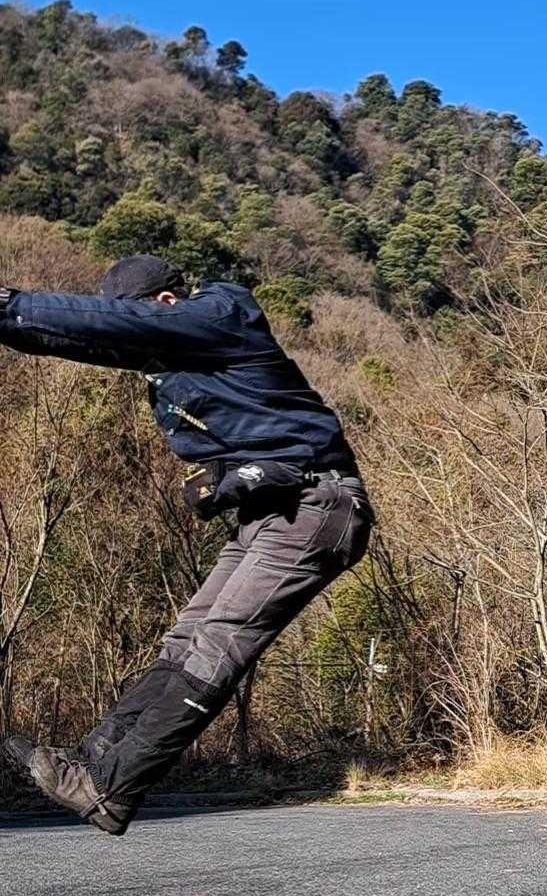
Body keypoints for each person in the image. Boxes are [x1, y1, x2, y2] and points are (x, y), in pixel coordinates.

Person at [0, 254, 372, 835]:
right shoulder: (180, 352)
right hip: (270, 511)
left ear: (167, 303)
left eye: (142, 319)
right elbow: (81, 337)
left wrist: (11, 303)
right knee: (185, 640)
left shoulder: (222, 313)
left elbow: (113, 324)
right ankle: (92, 760)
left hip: (315, 505)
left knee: (217, 643)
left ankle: (111, 786)